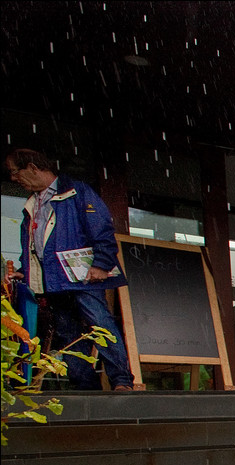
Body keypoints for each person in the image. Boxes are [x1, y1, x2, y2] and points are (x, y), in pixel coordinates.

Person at [6, 148, 134, 391]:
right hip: (54, 281)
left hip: (83, 277)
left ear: (33, 168)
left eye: (15, 172)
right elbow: (33, 244)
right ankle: (85, 386)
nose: (14, 178)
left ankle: (122, 381)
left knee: (101, 325)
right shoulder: (33, 202)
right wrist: (27, 270)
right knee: (67, 333)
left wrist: (101, 264)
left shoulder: (77, 191)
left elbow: (103, 230)